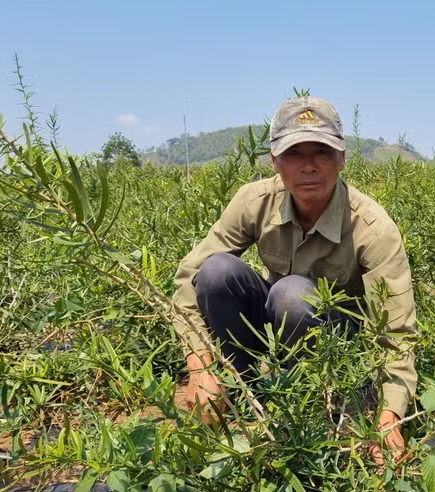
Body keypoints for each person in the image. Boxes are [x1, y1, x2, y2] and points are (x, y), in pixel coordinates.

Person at [170, 95, 418, 462]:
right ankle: (239, 389)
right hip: (272, 325)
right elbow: (189, 279)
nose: (308, 166)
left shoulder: (373, 227)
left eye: (321, 151)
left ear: (342, 159)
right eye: (294, 154)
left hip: (333, 343)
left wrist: (388, 418)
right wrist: (200, 365)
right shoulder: (255, 201)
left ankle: (313, 404)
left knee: (292, 295)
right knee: (217, 271)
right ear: (275, 161)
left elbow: (397, 333)